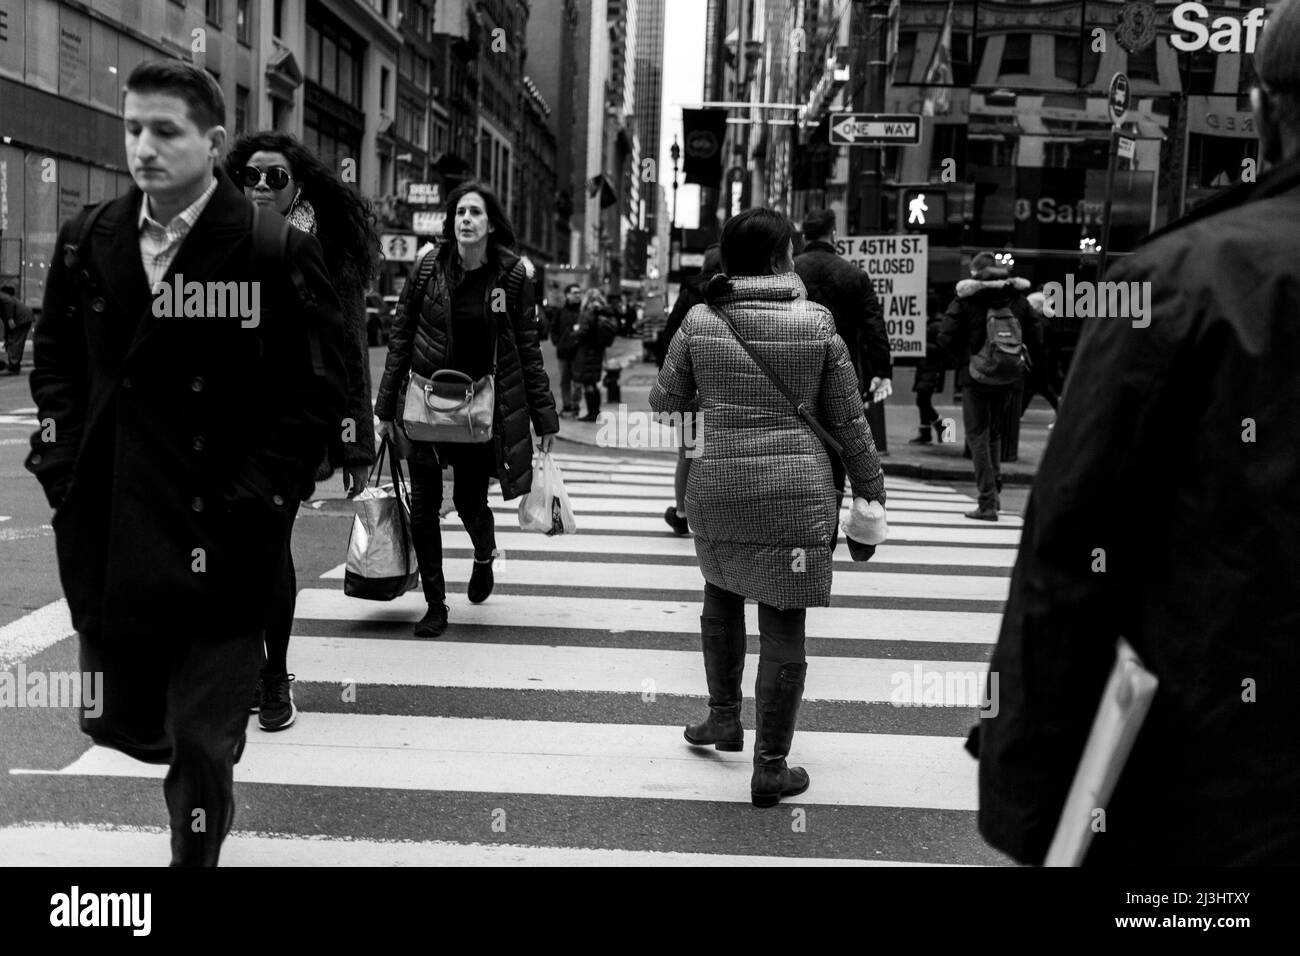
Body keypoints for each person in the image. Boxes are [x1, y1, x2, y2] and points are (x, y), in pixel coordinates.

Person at [967, 0, 1300, 867]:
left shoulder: (1179, 282)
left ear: (1264, 114)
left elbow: (1072, 555)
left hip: (1223, 803)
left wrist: (1029, 807)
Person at [25, 60, 348, 866]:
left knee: (204, 740)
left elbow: (313, 391)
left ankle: (192, 854)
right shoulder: (87, 240)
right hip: (119, 523)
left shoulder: (273, 249)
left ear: (211, 142)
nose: (144, 147)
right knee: (138, 724)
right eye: (132, 128)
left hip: (225, 531)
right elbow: (57, 360)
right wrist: (62, 465)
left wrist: (261, 496)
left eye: (164, 131)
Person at [650, 208, 886, 808]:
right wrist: (870, 495)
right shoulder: (816, 322)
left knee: (720, 593)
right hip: (797, 496)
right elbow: (850, 421)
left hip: (719, 492)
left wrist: (716, 418)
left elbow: (664, 403)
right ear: (783, 257)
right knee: (784, 623)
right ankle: (770, 766)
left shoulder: (702, 320)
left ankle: (723, 717)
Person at [224, 131, 380, 731]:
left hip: (290, 428)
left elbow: (345, 351)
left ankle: (273, 676)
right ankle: (246, 664)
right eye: (252, 176)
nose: (262, 186)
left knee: (267, 549)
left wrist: (354, 445)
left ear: (298, 187)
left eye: (276, 178)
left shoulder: (325, 251)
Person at [374, 181, 559, 638]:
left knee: (469, 501)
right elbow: (400, 338)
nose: (465, 220)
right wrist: (383, 409)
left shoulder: (513, 277)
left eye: (474, 213)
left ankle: (483, 554)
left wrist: (544, 417)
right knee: (423, 506)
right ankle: (435, 604)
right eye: (459, 213)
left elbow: (528, 350)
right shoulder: (428, 267)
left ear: (490, 223)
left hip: (478, 409)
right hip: (424, 405)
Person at [793, 209, 892, 539]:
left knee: (795, 447)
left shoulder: (789, 270)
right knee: (838, 449)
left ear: (804, 235)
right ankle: (830, 523)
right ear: (834, 234)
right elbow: (874, 326)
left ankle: (798, 518)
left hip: (794, 374)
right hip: (843, 374)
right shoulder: (854, 275)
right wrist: (882, 371)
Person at [938, 251, 1039, 521]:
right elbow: (1037, 332)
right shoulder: (1017, 299)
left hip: (975, 376)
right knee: (994, 435)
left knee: (977, 436)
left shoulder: (968, 299)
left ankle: (986, 502)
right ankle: (995, 493)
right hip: (1008, 377)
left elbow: (945, 335)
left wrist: (962, 358)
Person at [659, 245, 722, 535]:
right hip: (728, 385)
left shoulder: (689, 294)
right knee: (724, 452)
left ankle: (683, 513)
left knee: (688, 452)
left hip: (692, 387)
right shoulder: (737, 293)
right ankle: (718, 514)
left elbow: (669, 339)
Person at [571, 288, 618, 422]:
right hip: (598, 351)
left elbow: (584, 331)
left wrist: (575, 333)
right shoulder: (605, 312)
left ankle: (592, 413)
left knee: (588, 383)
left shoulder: (588, 312)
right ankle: (596, 411)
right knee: (593, 382)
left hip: (586, 351)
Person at [909, 292, 947, 444]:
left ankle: (940, 425)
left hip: (932, 368)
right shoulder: (932, 322)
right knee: (922, 400)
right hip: (926, 367)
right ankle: (926, 432)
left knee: (922, 400)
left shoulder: (936, 324)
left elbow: (940, 348)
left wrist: (920, 346)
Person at [1020, 290, 1060, 417]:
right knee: (1035, 387)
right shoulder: (1045, 320)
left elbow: (1037, 341)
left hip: (1037, 357)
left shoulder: (1038, 321)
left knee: (1039, 387)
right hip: (1040, 357)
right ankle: (1019, 412)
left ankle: (1061, 411)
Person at [550, 283, 584, 415]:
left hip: (578, 352)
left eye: (579, 292)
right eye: (575, 292)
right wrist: (557, 342)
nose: (577, 295)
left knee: (577, 381)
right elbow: (553, 328)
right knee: (565, 380)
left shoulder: (583, 311)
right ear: (567, 295)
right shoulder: (560, 311)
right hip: (563, 352)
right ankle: (567, 405)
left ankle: (575, 405)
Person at [1, 283, 34, 374]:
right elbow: (5, 321)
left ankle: (13, 366)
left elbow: (9, 302)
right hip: (24, 317)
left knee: (15, 341)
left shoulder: (3, 296)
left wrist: (10, 318)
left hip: (21, 318)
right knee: (14, 340)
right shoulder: (5, 298)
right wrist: (6, 337)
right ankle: (14, 365)